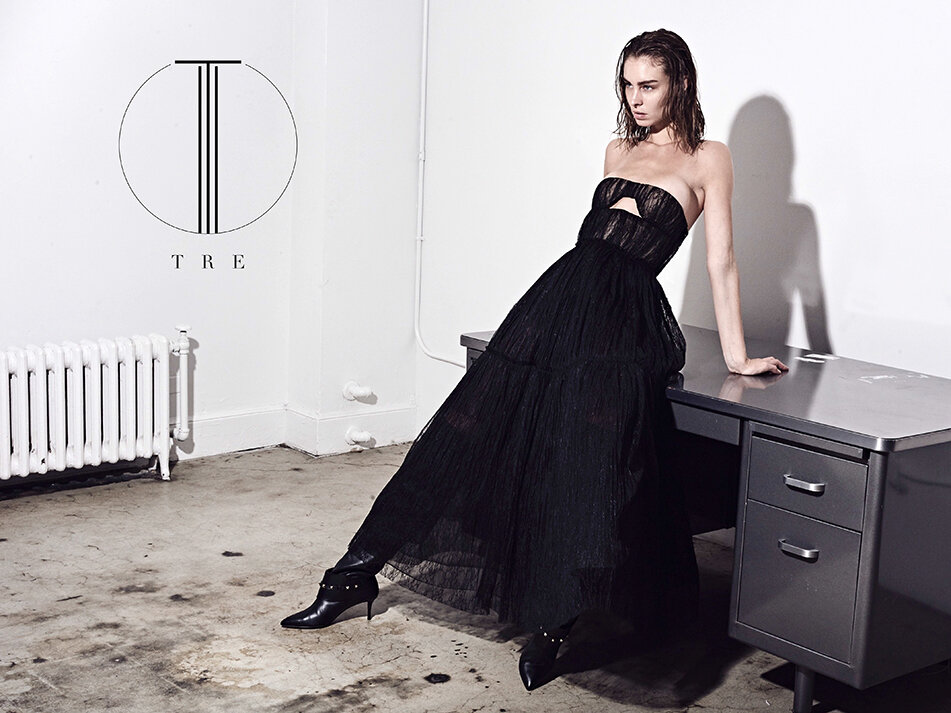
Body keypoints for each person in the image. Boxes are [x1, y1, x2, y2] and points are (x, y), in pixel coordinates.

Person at [280, 28, 789, 691]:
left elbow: (721, 260)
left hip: (625, 327)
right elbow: (592, 249)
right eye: (627, 85)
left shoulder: (708, 158)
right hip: (556, 304)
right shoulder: (617, 149)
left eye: (649, 85)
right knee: (462, 435)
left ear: (681, 84)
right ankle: (353, 573)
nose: (635, 99)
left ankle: (553, 624)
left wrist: (738, 356)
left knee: (586, 471)